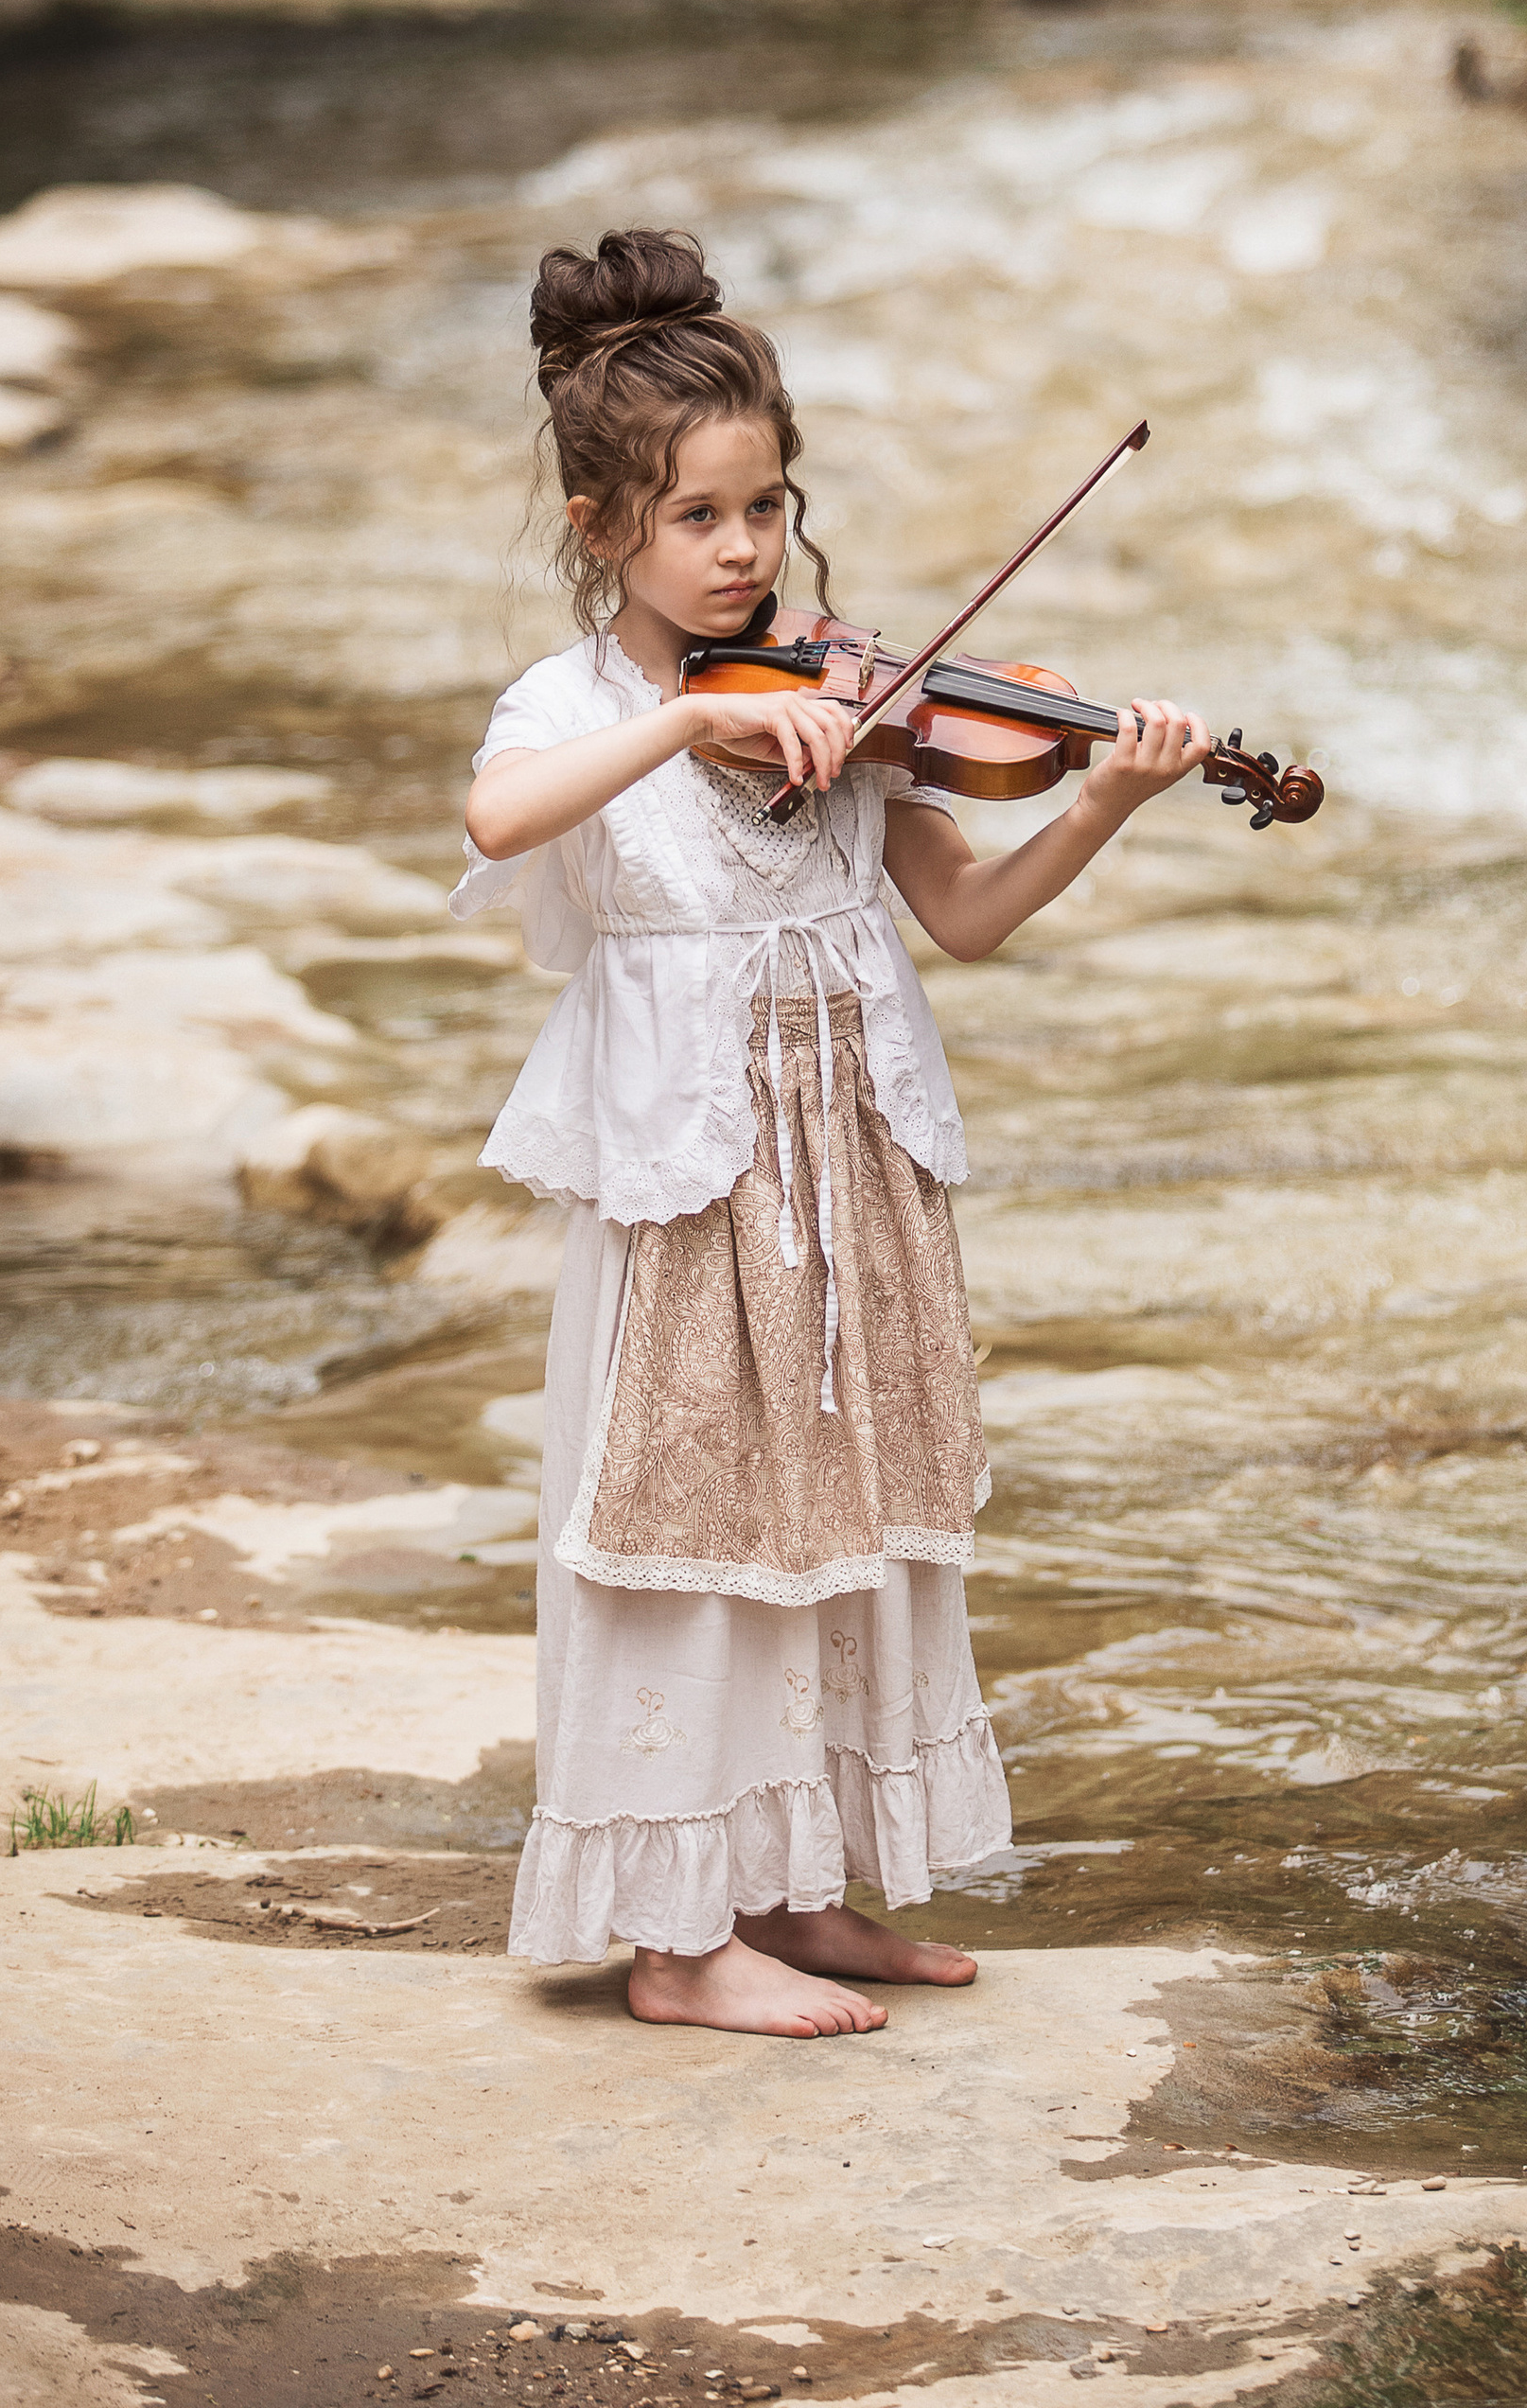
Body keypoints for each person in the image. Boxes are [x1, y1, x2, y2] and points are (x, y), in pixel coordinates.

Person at [454, 227, 1213, 2038]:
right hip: (694, 1185)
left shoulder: (851, 703)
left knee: (834, 1519)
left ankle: (795, 1891)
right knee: (688, 1524)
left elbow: (968, 917)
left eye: (767, 509)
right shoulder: (581, 710)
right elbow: (498, 821)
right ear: (601, 529)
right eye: (698, 518)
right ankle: (672, 1935)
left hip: (848, 1173)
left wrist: (1103, 799)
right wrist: (673, 725)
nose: (744, 551)